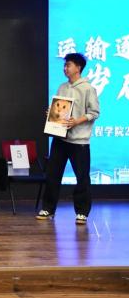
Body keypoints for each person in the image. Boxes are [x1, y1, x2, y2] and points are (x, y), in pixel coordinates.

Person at [37, 53, 100, 225]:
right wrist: (52, 114)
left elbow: (94, 112)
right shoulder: (62, 87)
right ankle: (48, 209)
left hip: (79, 141)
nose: (65, 68)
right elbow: (60, 109)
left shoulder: (88, 89)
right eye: (64, 65)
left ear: (78, 68)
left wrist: (76, 121)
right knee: (52, 175)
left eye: (68, 65)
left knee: (82, 178)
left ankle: (82, 212)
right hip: (60, 139)